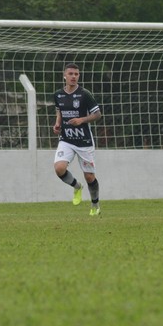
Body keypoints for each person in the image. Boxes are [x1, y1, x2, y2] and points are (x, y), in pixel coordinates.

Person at [53, 63, 102, 216]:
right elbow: (59, 111)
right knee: (59, 168)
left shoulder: (84, 94)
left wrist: (82, 120)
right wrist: (57, 123)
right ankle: (76, 186)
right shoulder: (58, 95)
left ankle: (95, 204)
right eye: (71, 74)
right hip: (66, 139)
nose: (73, 76)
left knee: (89, 177)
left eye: (76, 74)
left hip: (84, 141)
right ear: (64, 76)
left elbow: (97, 114)